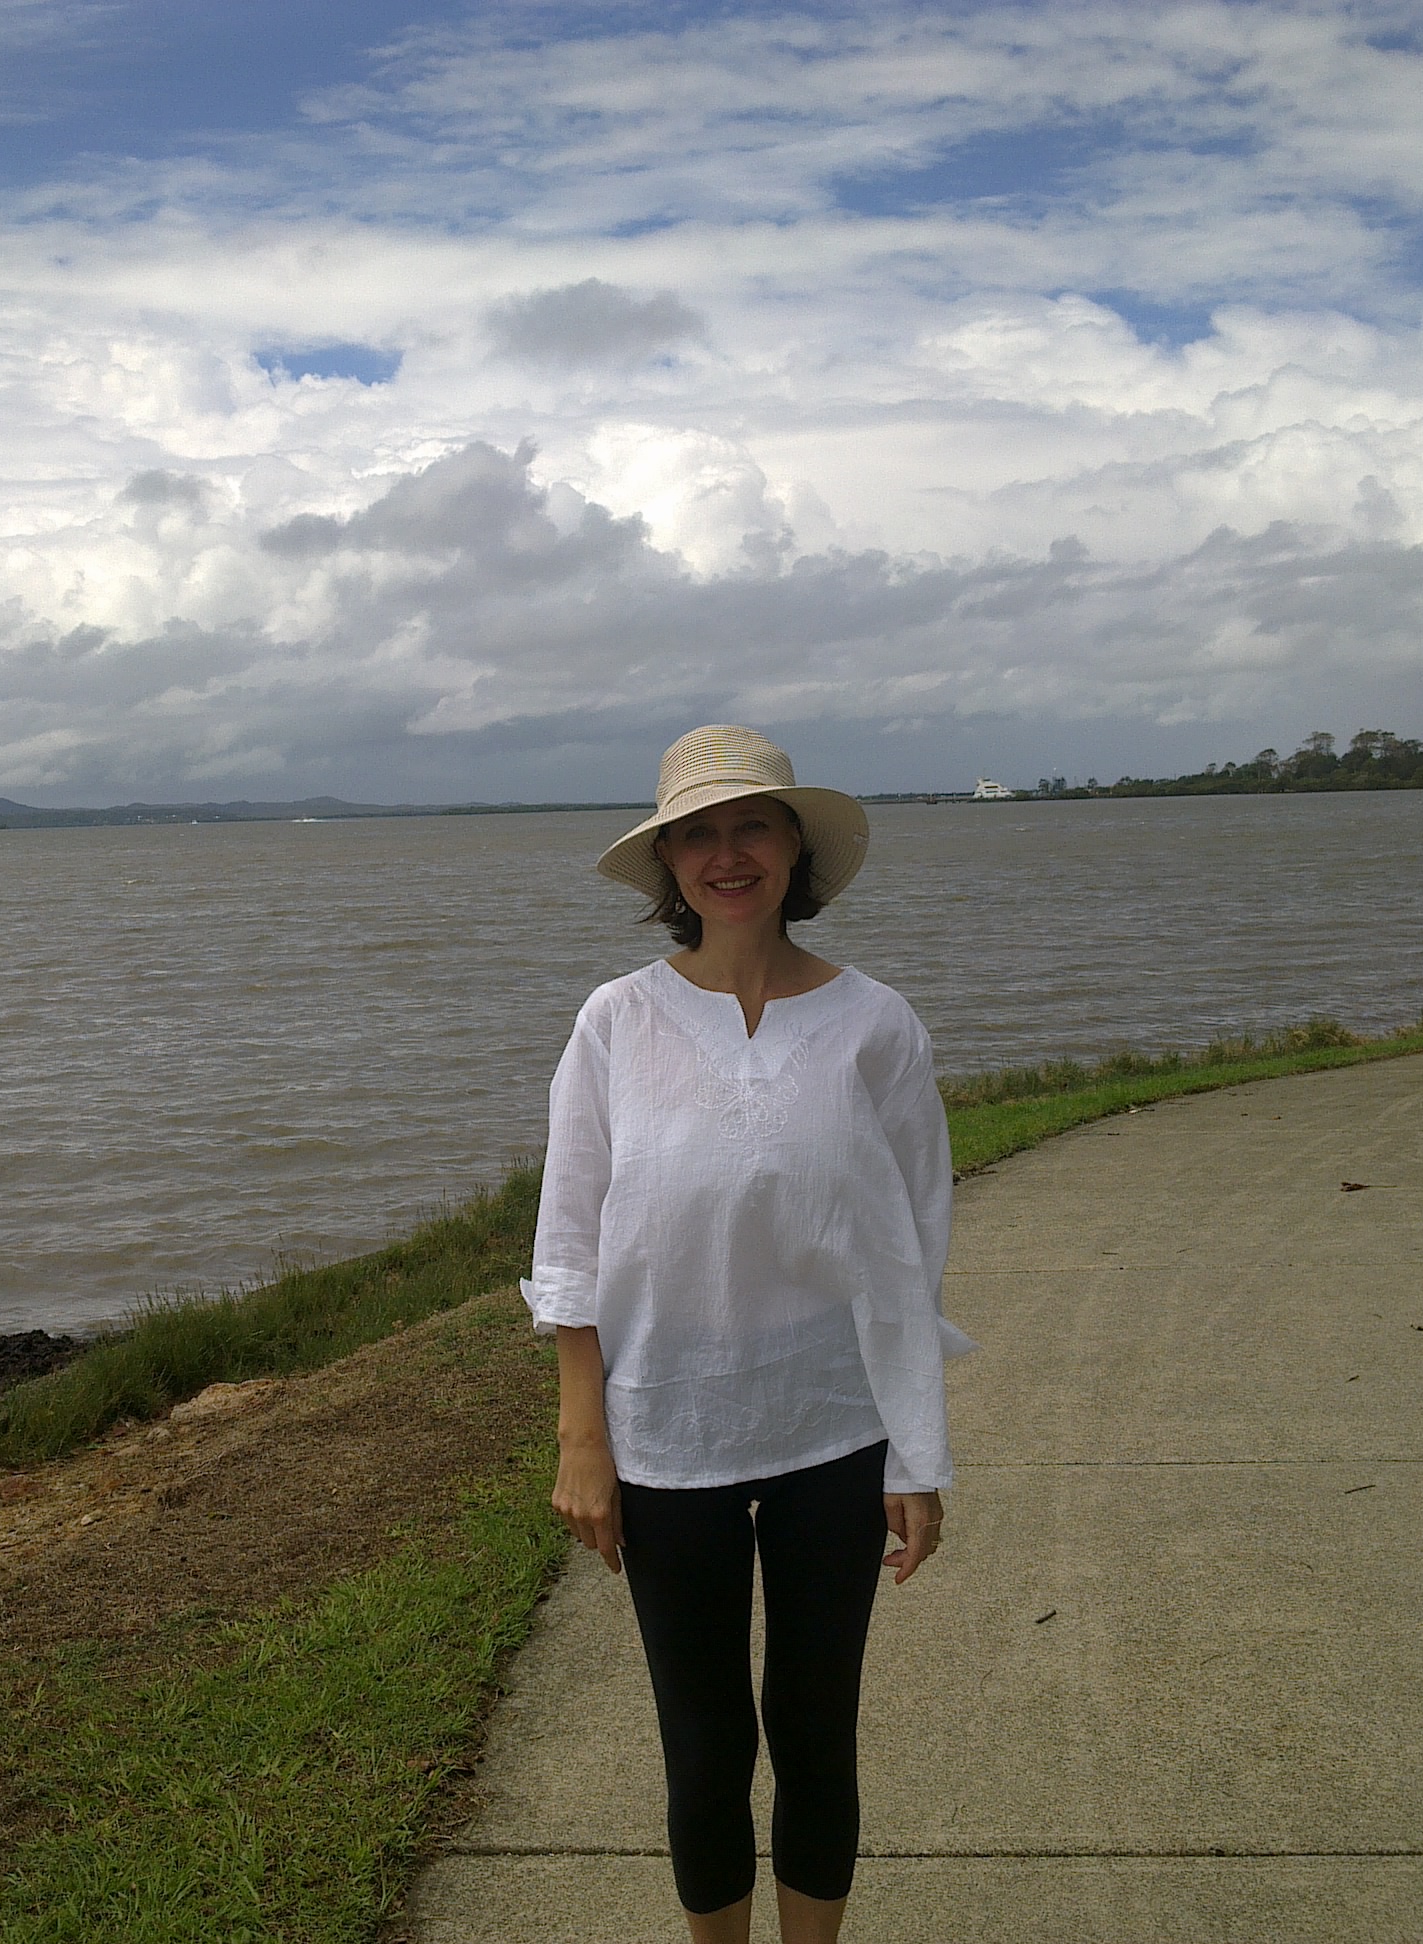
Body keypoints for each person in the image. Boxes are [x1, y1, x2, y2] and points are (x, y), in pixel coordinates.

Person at [523, 724, 970, 1944]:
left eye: (751, 826)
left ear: (795, 847)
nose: (728, 855)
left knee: (817, 1732)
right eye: (698, 835)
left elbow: (909, 1255)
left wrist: (916, 1452)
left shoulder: (877, 1025)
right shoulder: (617, 1022)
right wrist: (583, 1439)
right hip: (667, 1432)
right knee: (705, 1740)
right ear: (669, 863)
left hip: (834, 1426)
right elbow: (570, 1242)